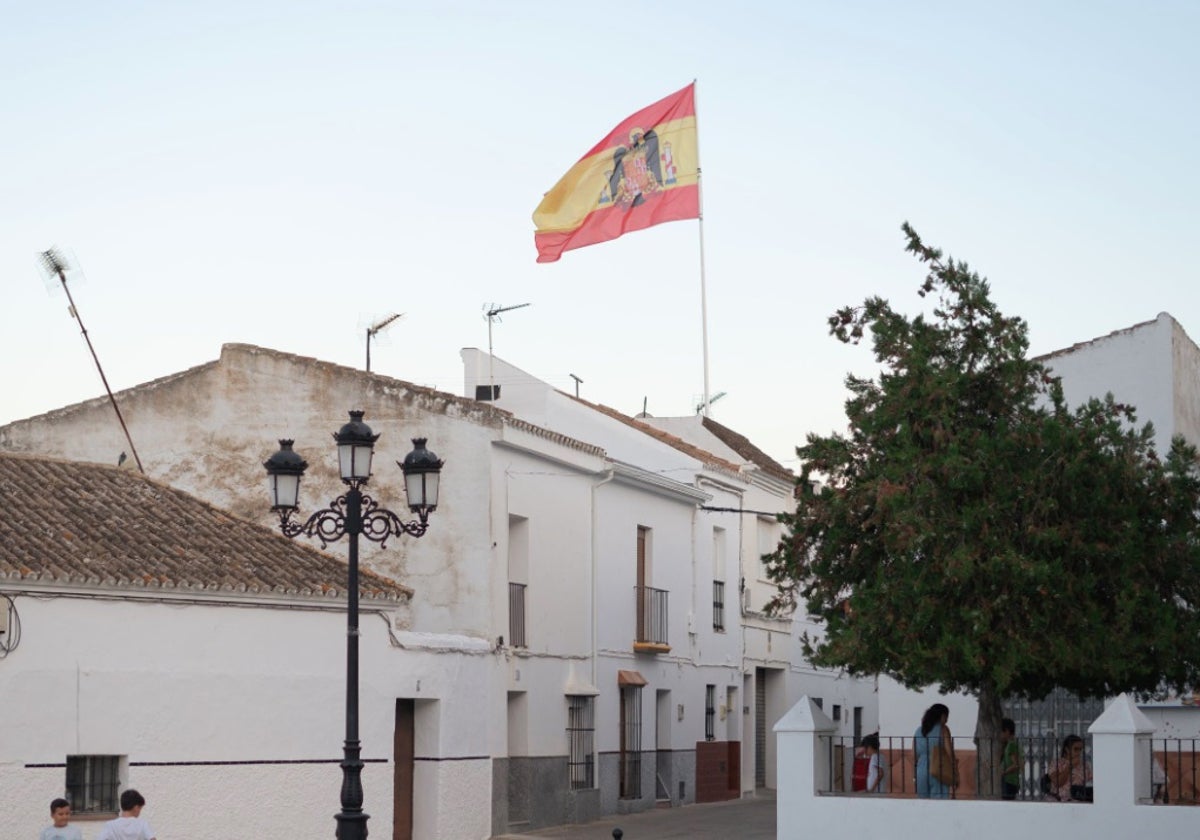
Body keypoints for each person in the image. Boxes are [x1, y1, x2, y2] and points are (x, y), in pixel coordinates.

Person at [914, 703, 953, 799]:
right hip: (939, 767)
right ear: (942, 715)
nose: (947, 720)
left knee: (923, 802)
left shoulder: (918, 730)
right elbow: (949, 752)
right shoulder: (943, 729)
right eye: (947, 717)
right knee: (939, 803)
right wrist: (954, 770)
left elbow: (914, 755)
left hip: (921, 769)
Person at [1047, 734, 1092, 802]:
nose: (1079, 752)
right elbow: (1057, 782)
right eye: (1076, 749)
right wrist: (1070, 766)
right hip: (1058, 802)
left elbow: (1090, 782)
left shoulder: (1084, 766)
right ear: (1067, 749)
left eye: (1080, 749)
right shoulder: (1056, 763)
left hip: (1079, 802)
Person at [1000, 717, 1021, 800]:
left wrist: (1003, 773)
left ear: (1007, 731)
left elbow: (1015, 765)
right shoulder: (1009, 744)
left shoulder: (1011, 745)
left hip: (1009, 782)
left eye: (1001, 732)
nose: (1000, 734)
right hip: (1010, 782)